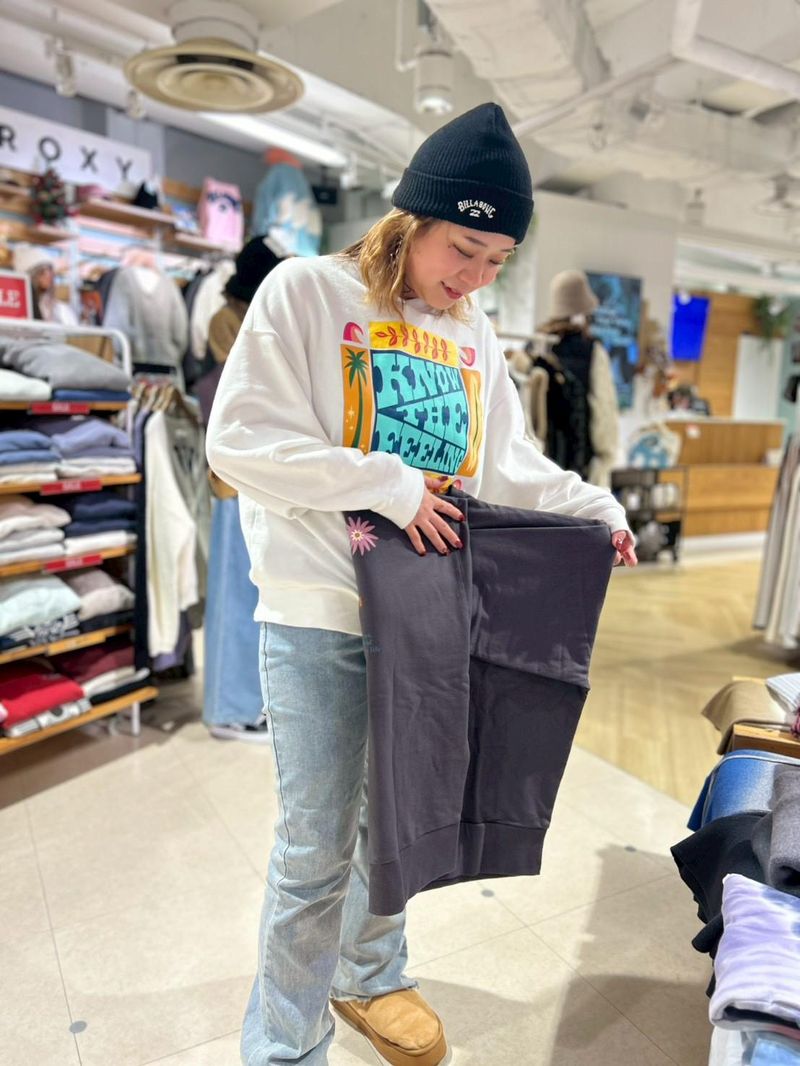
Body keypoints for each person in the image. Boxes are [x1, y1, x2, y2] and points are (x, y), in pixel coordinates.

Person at [207, 102, 637, 1066]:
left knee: (397, 819)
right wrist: (389, 484)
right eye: (464, 249)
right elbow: (238, 443)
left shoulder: (472, 333)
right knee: (316, 846)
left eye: (498, 260)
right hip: (321, 611)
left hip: (427, 612)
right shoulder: (307, 293)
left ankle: (371, 972)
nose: (476, 277)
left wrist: (595, 508)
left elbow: (507, 465)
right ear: (410, 220)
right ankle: (284, 1047)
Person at [202, 236, 287, 743]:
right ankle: (229, 711)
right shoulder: (226, 322)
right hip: (233, 477)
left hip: (255, 475)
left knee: (250, 594)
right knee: (235, 594)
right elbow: (241, 387)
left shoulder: (249, 315)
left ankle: (246, 703)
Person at [537, 269, 619, 488]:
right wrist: (606, 455)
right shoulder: (591, 350)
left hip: (538, 459)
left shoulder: (536, 345)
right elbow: (603, 406)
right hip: (579, 458)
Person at [13, 245, 78, 326]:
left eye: (50, 270)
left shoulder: (62, 310)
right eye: (42, 272)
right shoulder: (21, 309)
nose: (48, 275)